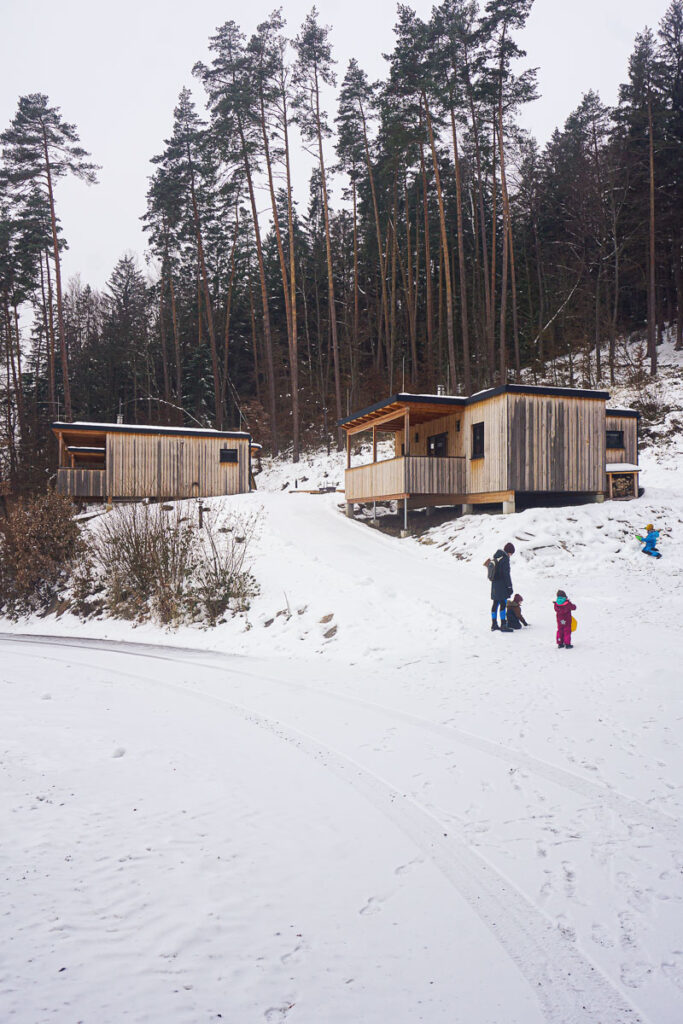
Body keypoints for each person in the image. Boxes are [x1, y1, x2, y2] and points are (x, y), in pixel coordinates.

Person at [486, 542, 515, 632]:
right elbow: (506, 574)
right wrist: (509, 587)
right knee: (503, 604)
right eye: (511, 553)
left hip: (494, 584)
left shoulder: (497, 556)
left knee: (495, 604)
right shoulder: (505, 559)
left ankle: (494, 624)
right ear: (509, 552)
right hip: (502, 586)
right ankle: (503, 625)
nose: (511, 555)